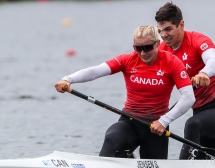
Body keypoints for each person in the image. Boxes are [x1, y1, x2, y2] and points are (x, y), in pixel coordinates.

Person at [54, 25, 195, 159]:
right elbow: (96, 71)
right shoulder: (128, 60)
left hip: (156, 127)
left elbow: (188, 97)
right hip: (130, 121)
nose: (143, 53)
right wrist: (68, 79)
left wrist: (164, 121)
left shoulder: (171, 62)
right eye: (138, 48)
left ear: (158, 44)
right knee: (112, 136)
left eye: (147, 47)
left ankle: (126, 160)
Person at [155, 2, 215, 160]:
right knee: (213, 165)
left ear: (181, 24)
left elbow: (214, 61)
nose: (164, 35)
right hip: (200, 115)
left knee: (192, 125)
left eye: (168, 29)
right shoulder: (162, 52)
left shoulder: (197, 40)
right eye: (160, 31)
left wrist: (204, 73)